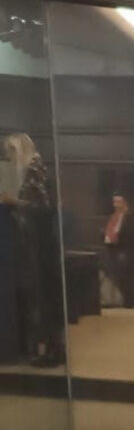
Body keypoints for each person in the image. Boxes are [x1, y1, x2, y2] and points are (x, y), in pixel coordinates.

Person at [1, 133, 63, 367]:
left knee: (44, 296)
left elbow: (40, 206)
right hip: (39, 241)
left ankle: (50, 351)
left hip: (40, 242)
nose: (9, 157)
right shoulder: (36, 168)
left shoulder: (35, 169)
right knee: (43, 296)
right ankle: (48, 348)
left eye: (11, 152)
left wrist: (12, 202)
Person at [101, 191, 134, 307]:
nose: (116, 204)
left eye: (118, 202)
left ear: (124, 202)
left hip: (124, 249)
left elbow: (131, 235)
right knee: (116, 275)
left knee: (125, 276)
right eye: (114, 202)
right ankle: (122, 299)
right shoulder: (113, 217)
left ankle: (129, 301)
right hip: (113, 248)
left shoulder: (129, 217)